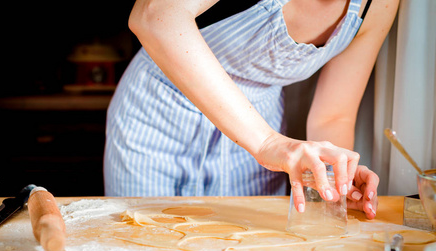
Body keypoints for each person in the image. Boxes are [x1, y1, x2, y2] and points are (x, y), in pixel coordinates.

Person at [104, 0, 399, 220]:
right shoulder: (268, 143)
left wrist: (332, 182)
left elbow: (333, 116)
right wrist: (269, 143)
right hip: (160, 116)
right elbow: (154, 16)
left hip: (258, 130)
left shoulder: (380, 5)